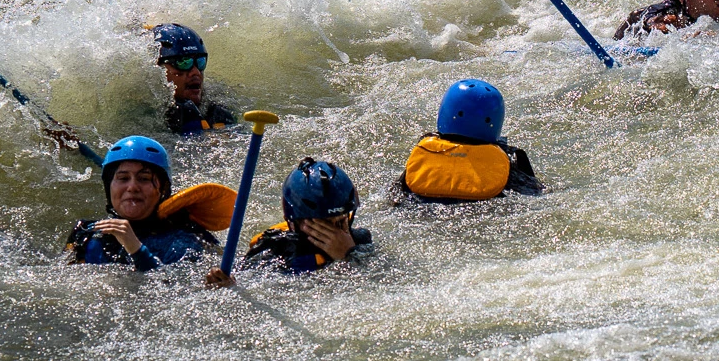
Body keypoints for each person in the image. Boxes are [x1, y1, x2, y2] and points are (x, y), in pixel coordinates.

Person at [65, 135, 217, 269]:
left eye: (144, 179)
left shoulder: (184, 242)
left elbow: (172, 291)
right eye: (123, 178)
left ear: (163, 189)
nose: (132, 187)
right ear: (108, 187)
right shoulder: (84, 234)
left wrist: (136, 249)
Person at [389, 79, 543, 204]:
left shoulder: (424, 154)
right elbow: (535, 193)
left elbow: (394, 198)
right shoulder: (507, 164)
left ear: (445, 112)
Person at [241, 158, 374, 273]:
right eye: (322, 225)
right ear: (293, 222)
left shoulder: (359, 242)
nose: (335, 234)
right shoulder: (275, 255)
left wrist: (349, 256)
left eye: (340, 222)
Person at [152, 24, 237, 136]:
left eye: (200, 62)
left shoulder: (217, 106)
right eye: (184, 62)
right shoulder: (144, 108)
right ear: (158, 68)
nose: (196, 72)